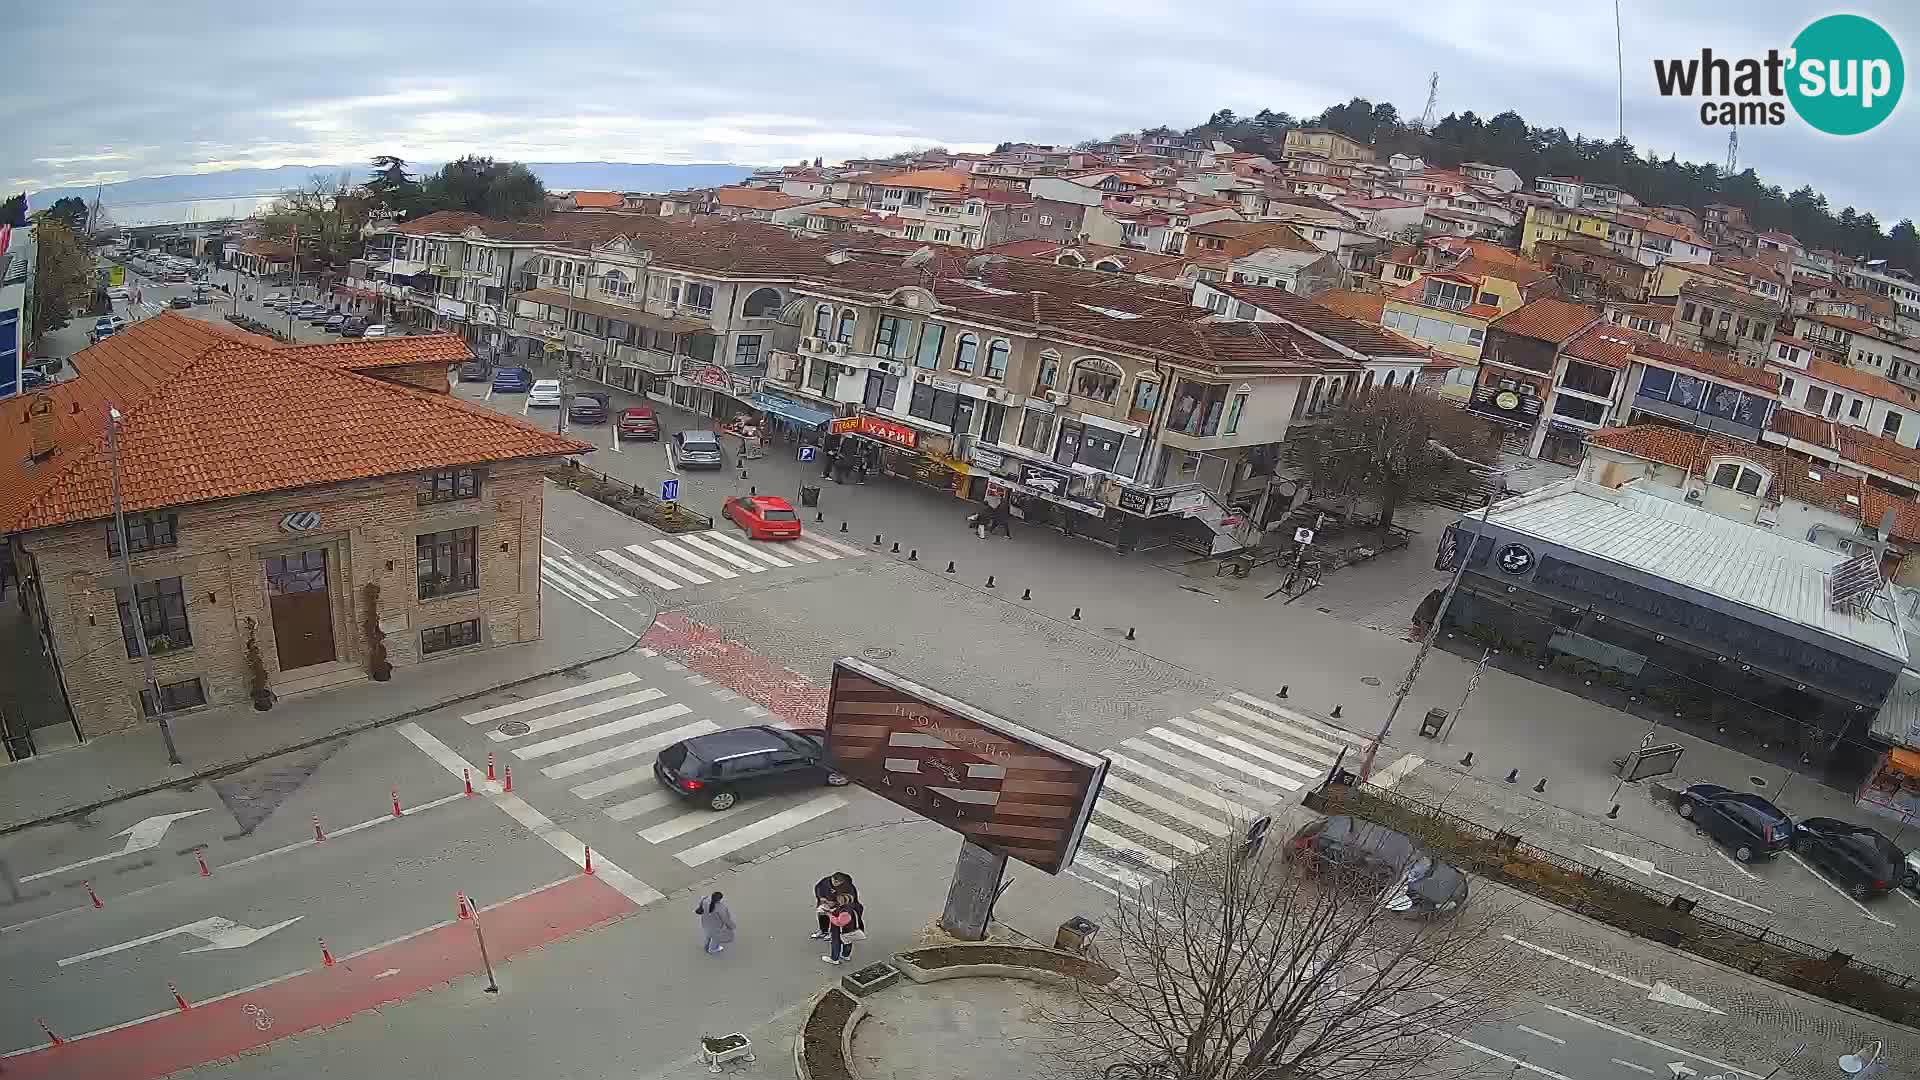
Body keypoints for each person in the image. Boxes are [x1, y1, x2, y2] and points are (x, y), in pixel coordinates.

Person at [823, 891, 864, 965]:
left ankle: (834, 959)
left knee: (836, 943)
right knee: (847, 942)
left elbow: (839, 922)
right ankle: (846, 955)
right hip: (851, 928)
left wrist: (829, 915)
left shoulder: (845, 912)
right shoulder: (851, 906)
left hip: (841, 930)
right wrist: (832, 911)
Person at [812, 872, 856, 938]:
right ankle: (823, 931)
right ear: (831, 878)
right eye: (834, 880)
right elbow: (818, 889)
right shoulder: (824, 882)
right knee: (821, 912)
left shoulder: (848, 886)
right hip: (826, 901)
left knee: (836, 918)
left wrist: (838, 903)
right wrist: (821, 898)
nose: (835, 883)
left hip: (840, 904)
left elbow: (851, 897)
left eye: (838, 882)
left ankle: (835, 933)